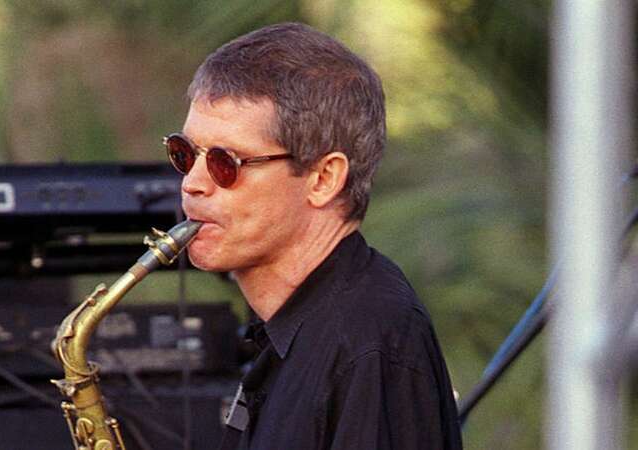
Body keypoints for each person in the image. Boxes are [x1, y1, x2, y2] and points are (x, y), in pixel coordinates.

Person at [165, 23, 463, 449]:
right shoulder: (295, 328)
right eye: (184, 153)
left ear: (324, 178)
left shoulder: (368, 342)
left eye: (223, 162)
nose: (192, 183)